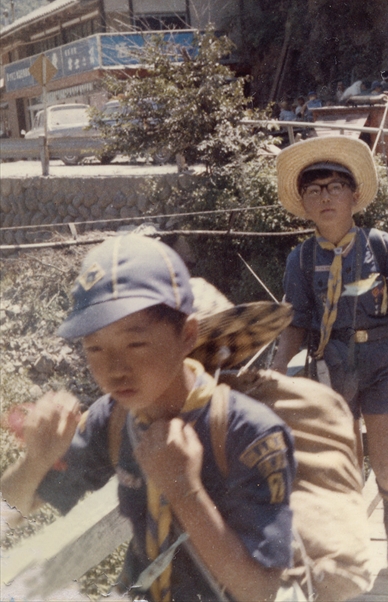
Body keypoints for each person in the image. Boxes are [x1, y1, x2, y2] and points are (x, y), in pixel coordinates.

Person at [0, 235, 296, 601]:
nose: (114, 369)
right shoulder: (113, 418)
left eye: (135, 344)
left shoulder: (248, 433)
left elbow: (260, 589)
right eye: (94, 348)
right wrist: (35, 461)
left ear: (187, 335)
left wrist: (185, 492)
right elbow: (13, 509)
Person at [272, 136, 388, 579]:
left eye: (334, 186)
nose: (325, 196)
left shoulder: (380, 246)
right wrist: (277, 372)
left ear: (354, 195)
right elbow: (296, 323)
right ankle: (351, 547)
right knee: (343, 468)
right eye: (313, 189)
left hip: (380, 363)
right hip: (329, 367)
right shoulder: (300, 260)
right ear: (303, 203)